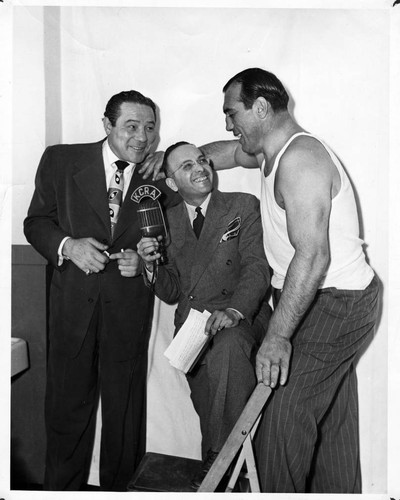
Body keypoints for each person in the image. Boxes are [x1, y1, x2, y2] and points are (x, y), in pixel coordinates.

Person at [139, 68, 380, 493]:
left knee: (283, 420)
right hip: (313, 296)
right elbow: (225, 153)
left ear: (262, 108)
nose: (228, 124)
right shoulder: (268, 151)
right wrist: (173, 162)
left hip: (335, 301)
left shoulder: (301, 160)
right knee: (331, 422)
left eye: (232, 113)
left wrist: (278, 336)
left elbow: (313, 255)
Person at [23, 90, 179, 491]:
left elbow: (166, 246)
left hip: (127, 310)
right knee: (65, 414)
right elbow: (36, 222)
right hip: (72, 308)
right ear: (107, 125)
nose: (142, 138)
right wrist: (69, 247)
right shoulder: (61, 160)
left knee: (125, 418)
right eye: (131, 126)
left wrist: (145, 262)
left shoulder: (157, 177)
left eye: (150, 128)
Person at [137, 141, 271, 490]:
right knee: (211, 406)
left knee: (228, 347)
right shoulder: (165, 223)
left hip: (241, 317)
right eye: (186, 166)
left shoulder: (242, 205)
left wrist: (233, 310)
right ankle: (222, 475)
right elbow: (170, 291)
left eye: (202, 160)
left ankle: (217, 464)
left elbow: (257, 268)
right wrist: (149, 267)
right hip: (194, 333)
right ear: (171, 183)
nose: (199, 168)